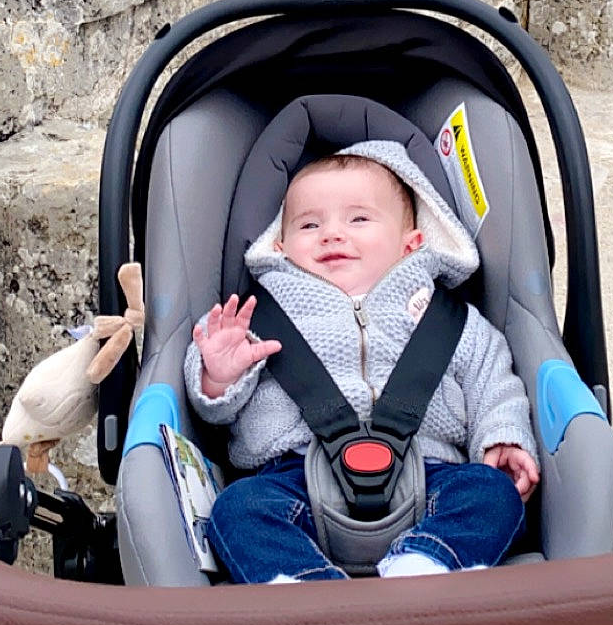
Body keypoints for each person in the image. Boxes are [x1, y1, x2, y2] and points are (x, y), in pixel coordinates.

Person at [185, 145, 540, 583]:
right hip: (295, 479)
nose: (332, 234)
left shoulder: (450, 320)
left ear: (411, 243)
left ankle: (426, 563)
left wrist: (500, 437)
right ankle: (308, 588)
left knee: (494, 495)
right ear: (280, 247)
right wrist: (218, 375)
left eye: (359, 219)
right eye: (310, 224)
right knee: (235, 510)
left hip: (431, 477)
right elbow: (213, 410)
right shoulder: (256, 317)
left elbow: (493, 382)